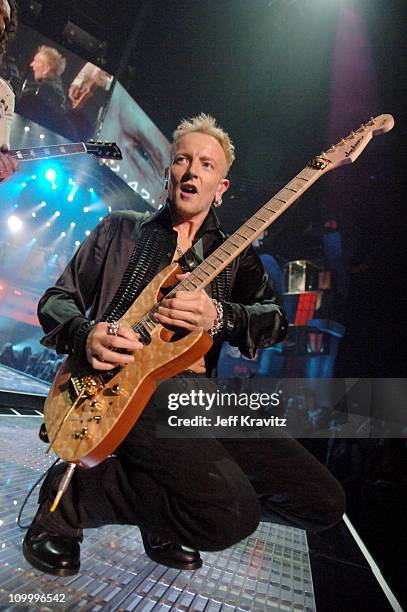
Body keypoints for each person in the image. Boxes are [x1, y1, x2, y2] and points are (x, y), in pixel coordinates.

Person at [22, 114, 345, 576]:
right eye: (182, 160)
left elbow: (273, 323)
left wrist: (220, 316)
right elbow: (57, 300)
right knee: (230, 515)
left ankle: (165, 508)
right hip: (123, 389)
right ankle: (67, 503)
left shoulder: (237, 255)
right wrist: (84, 333)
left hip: (200, 399)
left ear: (222, 186)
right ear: (168, 172)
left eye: (207, 165)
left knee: (322, 503)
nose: (192, 171)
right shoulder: (120, 231)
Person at [0, 0, 19, 180]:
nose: (1, 25)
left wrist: (4, 170)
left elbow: (2, 152)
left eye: (6, 20)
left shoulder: (5, 94)